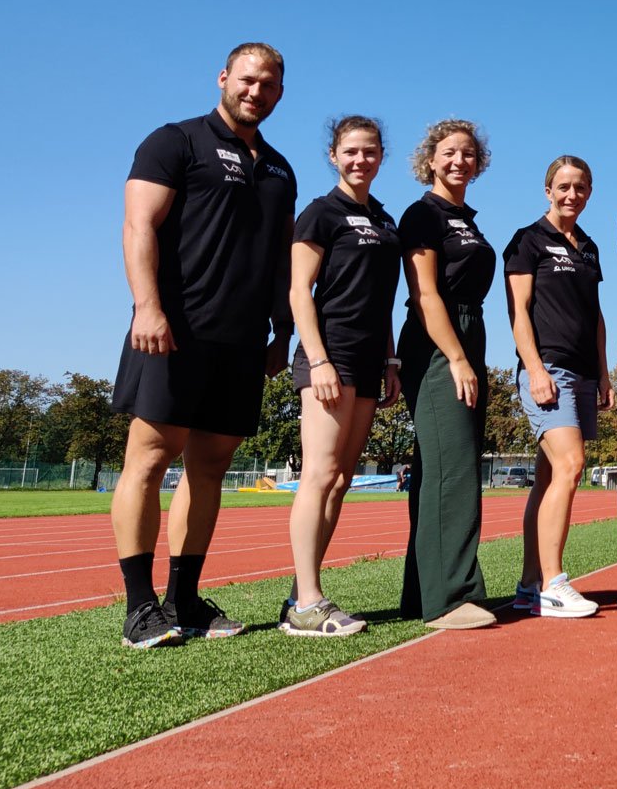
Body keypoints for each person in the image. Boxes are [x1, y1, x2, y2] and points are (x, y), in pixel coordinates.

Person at [111, 42, 295, 649]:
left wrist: (282, 331)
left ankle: (184, 600)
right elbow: (139, 225)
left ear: (280, 93)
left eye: (268, 85)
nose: (256, 92)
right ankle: (139, 607)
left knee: (210, 467)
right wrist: (147, 307)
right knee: (149, 459)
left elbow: (280, 257)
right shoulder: (175, 141)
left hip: (242, 340)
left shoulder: (280, 169)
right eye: (247, 80)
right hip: (174, 328)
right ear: (223, 78)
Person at [281, 116, 402, 637]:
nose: (360, 160)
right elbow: (298, 291)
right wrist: (319, 360)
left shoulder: (385, 219)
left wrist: (391, 361)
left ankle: (299, 595)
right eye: (350, 151)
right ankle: (307, 604)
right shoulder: (320, 213)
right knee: (320, 473)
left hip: (371, 360)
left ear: (381, 157)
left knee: (341, 479)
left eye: (369, 151)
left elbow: (383, 299)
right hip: (329, 356)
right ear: (333, 155)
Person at [397, 119, 499, 631]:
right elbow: (424, 294)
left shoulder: (466, 219)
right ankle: (452, 597)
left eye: (468, 154)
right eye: (450, 152)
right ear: (430, 160)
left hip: (468, 332)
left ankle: (422, 593)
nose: (460, 160)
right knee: (452, 469)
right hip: (438, 341)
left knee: (441, 466)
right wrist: (456, 358)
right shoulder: (423, 213)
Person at [505, 156, 613, 619]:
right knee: (571, 465)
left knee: (549, 478)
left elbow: (595, 314)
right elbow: (518, 311)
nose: (572, 194)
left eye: (581, 187)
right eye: (564, 186)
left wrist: (604, 373)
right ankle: (553, 583)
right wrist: (534, 369)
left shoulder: (588, 247)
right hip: (549, 369)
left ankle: (529, 585)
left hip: (584, 372)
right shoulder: (528, 240)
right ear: (548, 190)